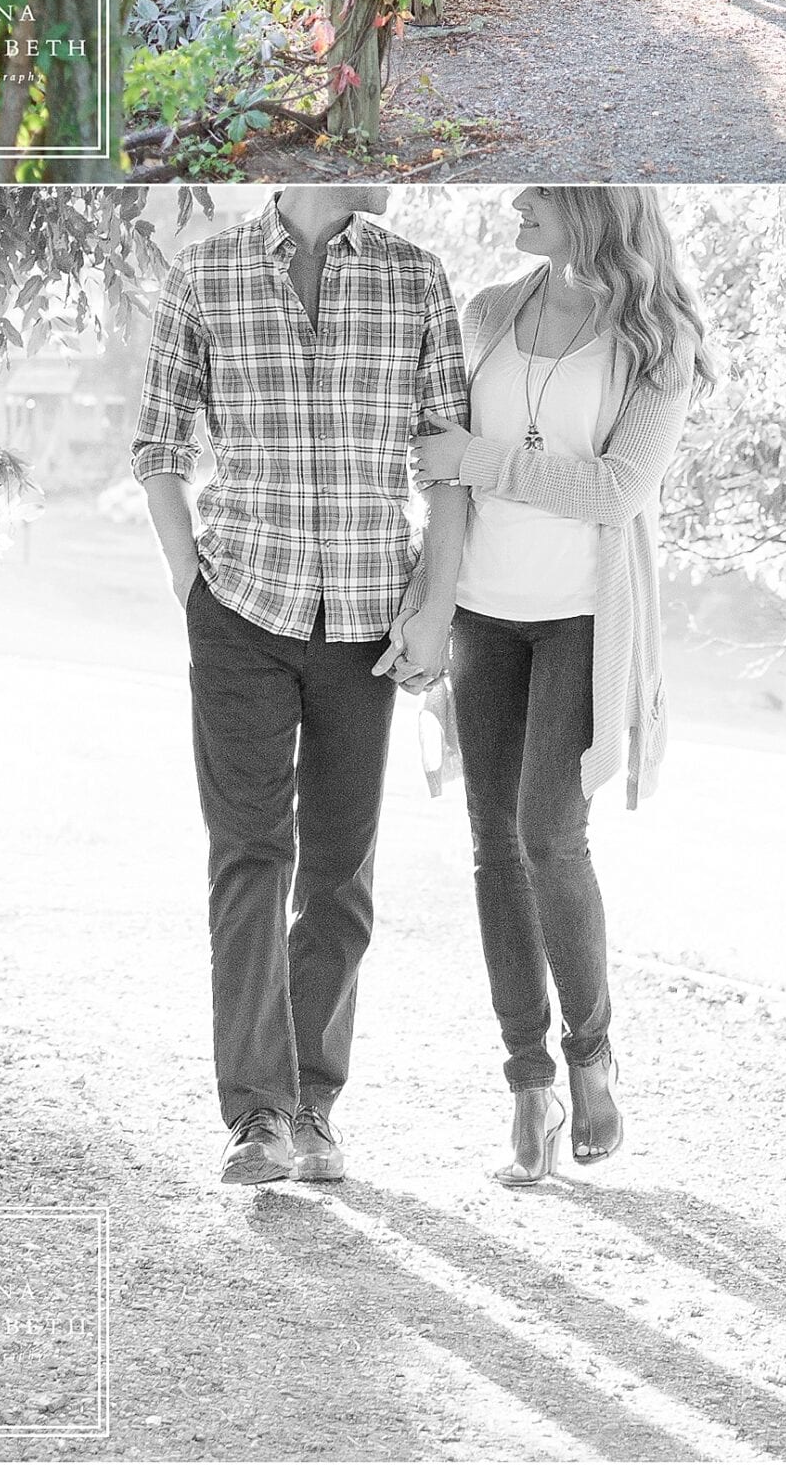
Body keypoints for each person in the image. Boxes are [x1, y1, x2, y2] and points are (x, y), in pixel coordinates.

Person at [133, 186, 470, 1188]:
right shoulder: (208, 268)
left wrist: (434, 605)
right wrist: (190, 584)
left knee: (338, 871)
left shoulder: (415, 275)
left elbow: (445, 464)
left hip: (367, 617)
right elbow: (157, 445)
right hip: (238, 605)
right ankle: (256, 1117)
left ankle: (312, 1103)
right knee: (248, 854)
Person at [402, 186, 710, 1186]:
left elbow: (618, 489)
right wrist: (431, 605)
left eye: (538, 191)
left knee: (546, 831)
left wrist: (479, 458)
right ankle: (527, 1087)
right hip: (483, 615)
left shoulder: (657, 341)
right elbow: (436, 470)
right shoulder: (488, 315)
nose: (514, 203)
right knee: (491, 846)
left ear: (590, 205)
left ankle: (591, 1051)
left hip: (581, 621)